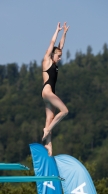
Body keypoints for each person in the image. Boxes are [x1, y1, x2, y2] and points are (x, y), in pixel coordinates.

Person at [41, 22, 69, 156]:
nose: (60, 58)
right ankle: (47, 130)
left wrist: (64, 33)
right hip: (47, 92)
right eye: (58, 56)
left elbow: (60, 46)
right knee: (64, 111)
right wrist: (57, 31)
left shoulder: (55, 63)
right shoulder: (47, 60)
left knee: (50, 118)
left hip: (49, 94)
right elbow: (53, 43)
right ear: (52, 55)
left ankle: (48, 146)